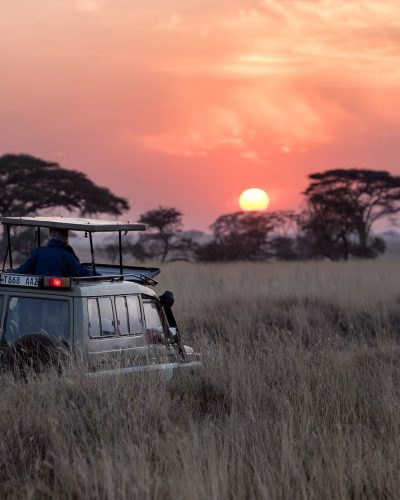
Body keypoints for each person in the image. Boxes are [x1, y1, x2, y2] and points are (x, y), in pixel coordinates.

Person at [9, 228, 94, 277]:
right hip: (61, 298)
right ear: (65, 236)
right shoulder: (68, 256)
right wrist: (97, 275)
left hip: (37, 297)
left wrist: (9, 272)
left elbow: (23, 270)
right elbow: (80, 272)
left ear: (50, 234)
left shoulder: (37, 252)